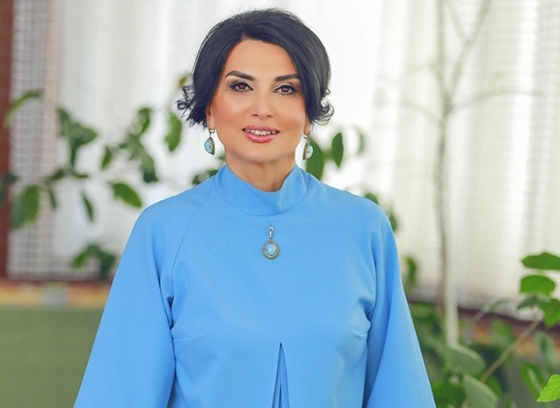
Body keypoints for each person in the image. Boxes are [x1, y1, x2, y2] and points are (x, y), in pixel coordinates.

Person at [74, 8, 435, 408]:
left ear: (309, 114)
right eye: (241, 86)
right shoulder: (163, 233)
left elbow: (400, 392)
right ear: (210, 109)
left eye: (286, 89)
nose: (262, 108)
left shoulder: (364, 229)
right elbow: (120, 393)